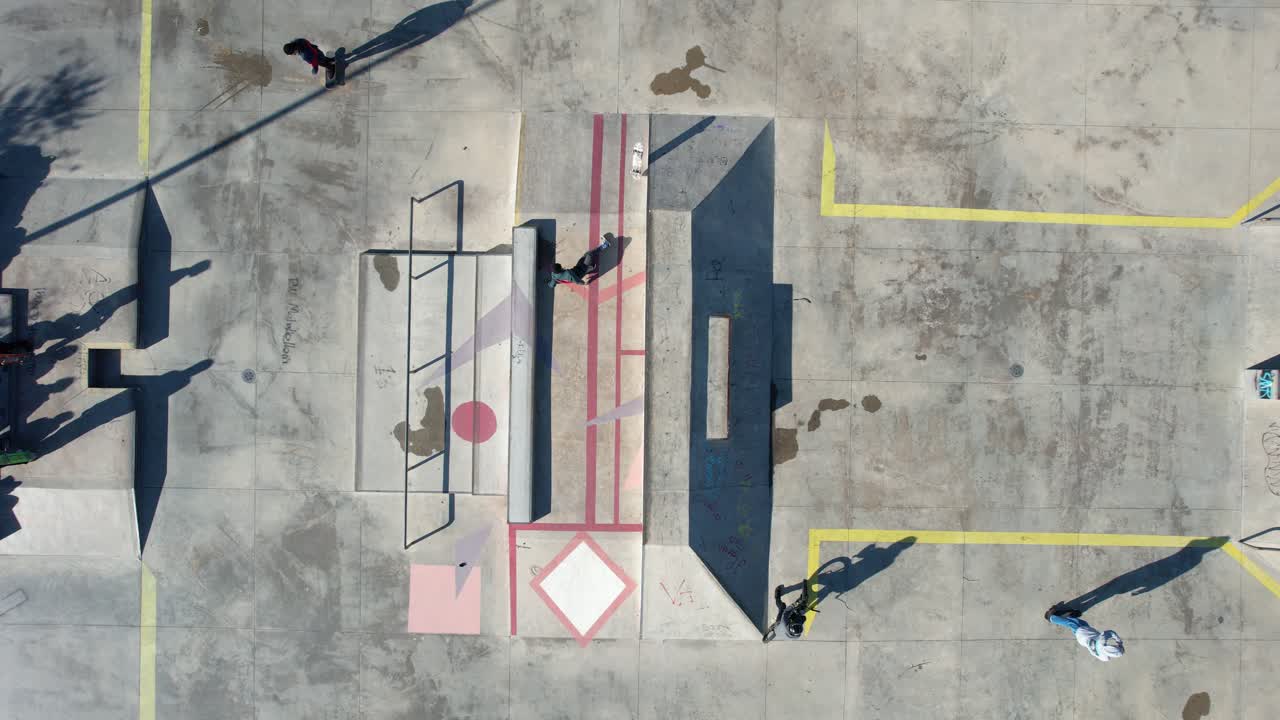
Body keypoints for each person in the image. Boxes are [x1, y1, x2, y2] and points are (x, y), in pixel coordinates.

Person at [1045, 605, 1124, 661]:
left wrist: (1118, 641)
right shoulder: (1104, 658)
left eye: (1115, 646)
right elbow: (1109, 656)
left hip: (1082, 632)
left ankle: (1051, 617)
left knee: (1070, 623)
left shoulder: (1102, 641)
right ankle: (1066, 615)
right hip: (1083, 639)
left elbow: (1110, 632)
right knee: (1082, 622)